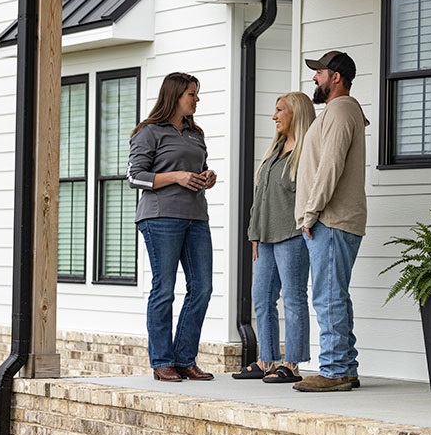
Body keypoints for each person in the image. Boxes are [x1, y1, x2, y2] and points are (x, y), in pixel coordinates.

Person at [127, 72, 217, 382]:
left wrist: (207, 177)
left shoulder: (197, 133)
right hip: (160, 217)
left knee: (202, 288)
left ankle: (184, 359)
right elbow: (134, 177)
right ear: (175, 95)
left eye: (196, 94)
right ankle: (162, 360)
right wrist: (176, 176)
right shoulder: (149, 132)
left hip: (196, 217)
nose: (196, 99)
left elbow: (198, 169)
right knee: (164, 289)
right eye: (192, 94)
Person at [292, 51, 368, 393]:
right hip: (332, 221)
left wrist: (310, 213)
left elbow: (330, 167)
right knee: (335, 295)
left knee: (327, 297)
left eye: (319, 73)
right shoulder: (340, 112)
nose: (314, 79)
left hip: (330, 220)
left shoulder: (340, 110)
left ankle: (335, 370)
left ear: (336, 77)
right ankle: (346, 367)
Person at [232, 92, 316, 384]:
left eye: (280, 110)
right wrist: (254, 232)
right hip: (265, 236)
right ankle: (266, 360)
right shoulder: (275, 150)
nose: (274, 116)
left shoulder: (306, 152)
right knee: (262, 297)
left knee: (293, 298)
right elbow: (261, 196)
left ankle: (291, 364)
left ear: (297, 114)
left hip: (292, 234)